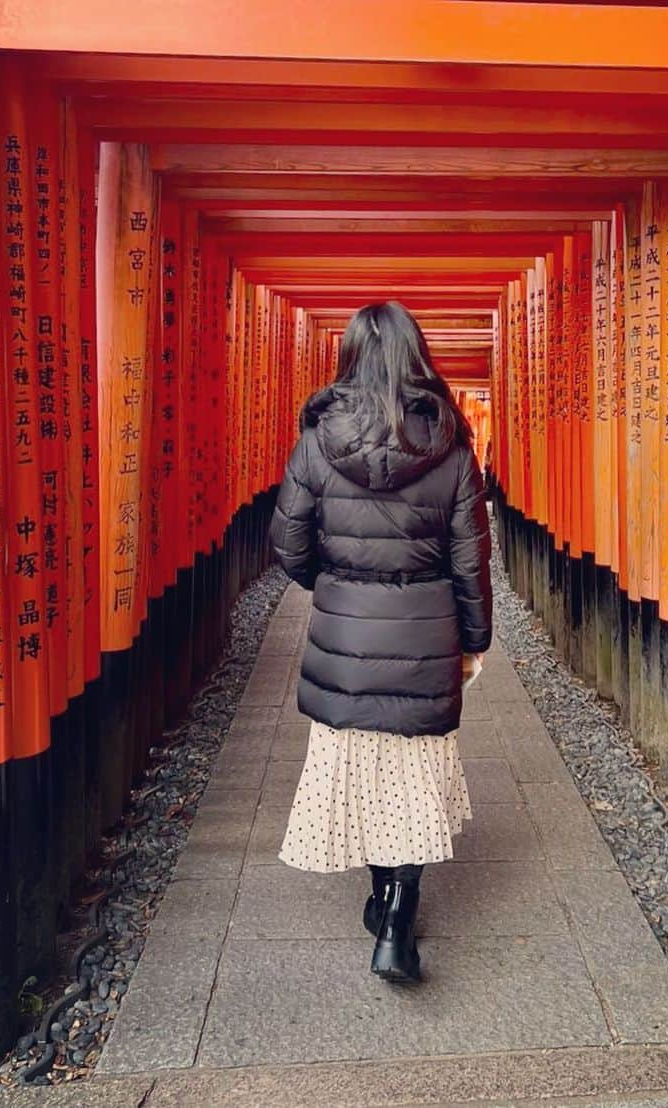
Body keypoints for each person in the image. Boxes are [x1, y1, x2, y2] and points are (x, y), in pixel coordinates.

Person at [269, 301, 493, 984]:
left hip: (345, 628)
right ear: (417, 356)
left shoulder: (316, 443)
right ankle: (397, 918)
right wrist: (474, 639)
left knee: (364, 776)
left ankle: (383, 900)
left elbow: (289, 546)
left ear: (350, 357)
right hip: (426, 630)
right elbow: (471, 560)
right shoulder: (452, 448)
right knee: (414, 778)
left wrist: (335, 583)